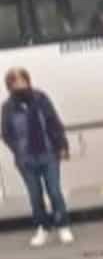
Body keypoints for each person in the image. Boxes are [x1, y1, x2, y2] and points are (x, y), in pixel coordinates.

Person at [1, 68, 74, 248]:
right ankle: (43, 227)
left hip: (48, 154)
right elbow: (6, 133)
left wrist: (62, 145)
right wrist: (18, 149)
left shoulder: (40, 99)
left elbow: (54, 122)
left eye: (22, 81)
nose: (19, 85)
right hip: (26, 160)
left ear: (28, 81)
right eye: (15, 82)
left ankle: (63, 225)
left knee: (55, 191)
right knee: (35, 195)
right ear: (9, 86)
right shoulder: (8, 107)